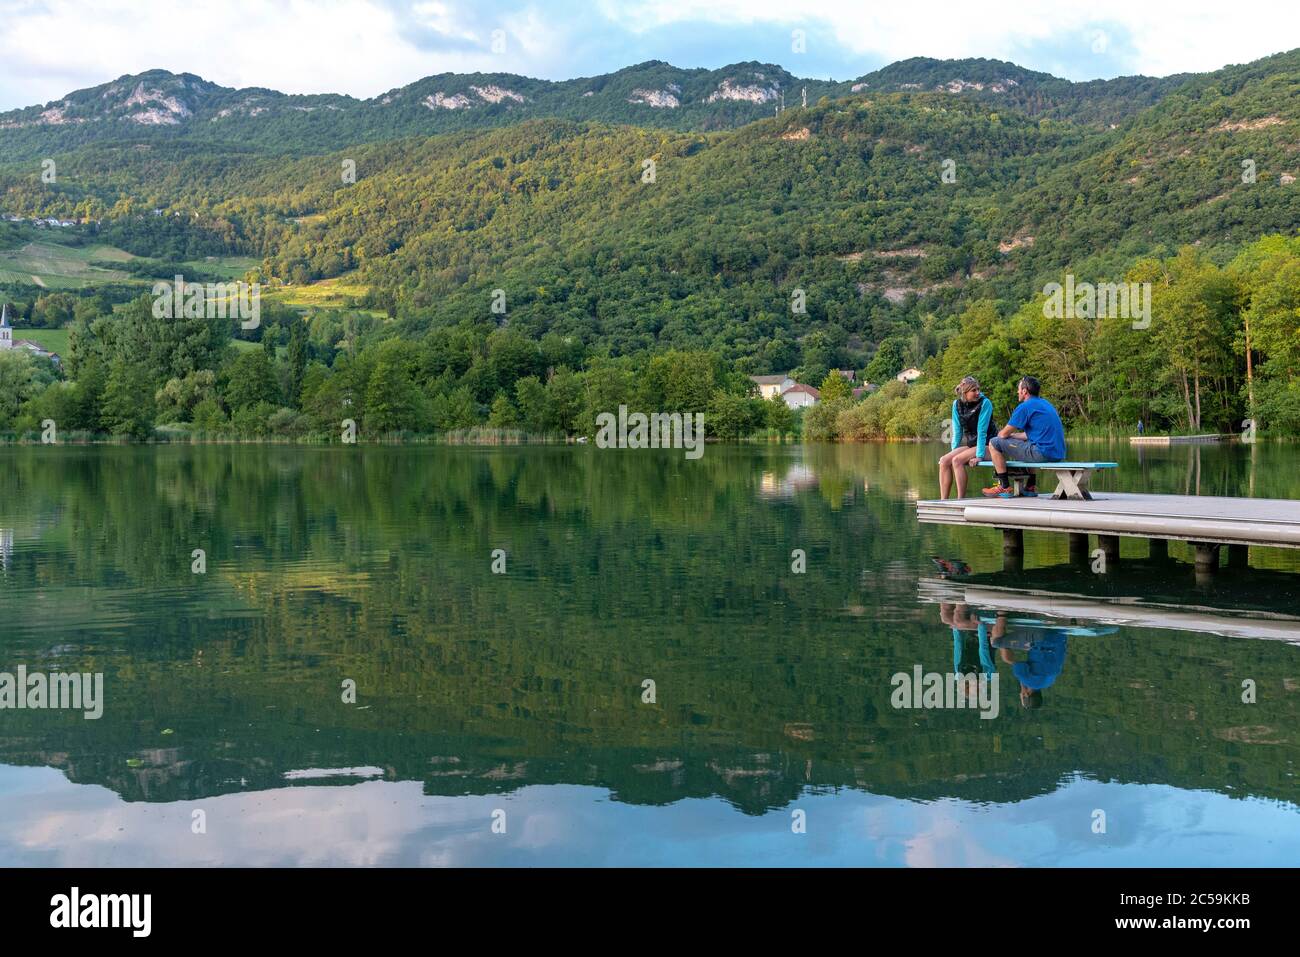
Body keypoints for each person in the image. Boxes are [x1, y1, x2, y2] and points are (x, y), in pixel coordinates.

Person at [983, 375, 1066, 498]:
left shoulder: (1025, 406)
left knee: (994, 442)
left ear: (1024, 391)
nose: (1017, 391)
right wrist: (1014, 436)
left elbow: (1003, 435)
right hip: (1058, 454)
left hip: (1042, 453)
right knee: (1027, 444)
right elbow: (1029, 434)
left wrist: (1006, 435)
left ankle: (1004, 486)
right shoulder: (1045, 404)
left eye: (1018, 389)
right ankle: (1030, 486)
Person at [938, 376, 996, 499]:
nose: (977, 393)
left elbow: (982, 432)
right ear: (965, 393)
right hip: (973, 445)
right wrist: (953, 451)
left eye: (978, 389)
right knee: (944, 461)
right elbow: (957, 431)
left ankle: (960, 499)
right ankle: (943, 501)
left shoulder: (985, 403)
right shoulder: (957, 405)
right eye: (974, 390)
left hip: (990, 446)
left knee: (957, 461)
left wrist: (979, 456)